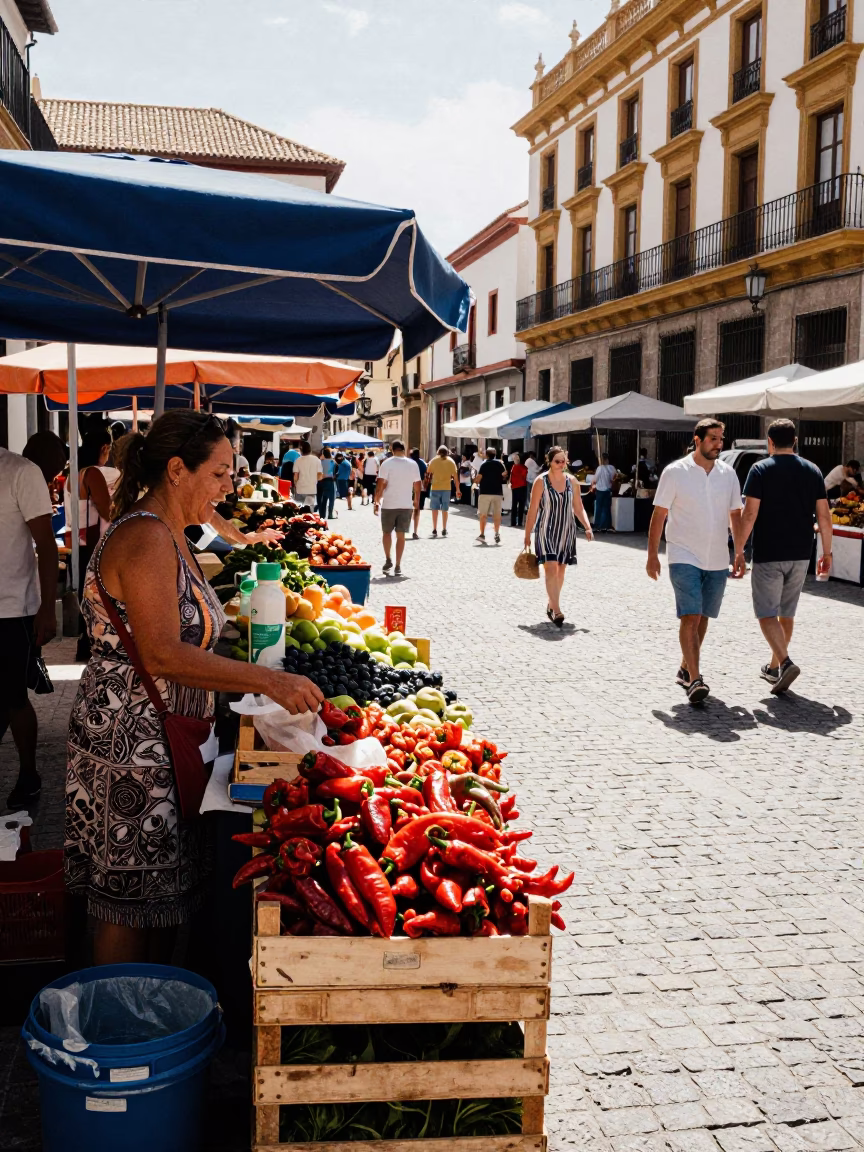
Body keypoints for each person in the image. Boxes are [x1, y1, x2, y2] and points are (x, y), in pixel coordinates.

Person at [65, 412, 322, 965]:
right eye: (220, 473)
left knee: (157, 898)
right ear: (177, 469)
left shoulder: (173, 529)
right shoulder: (146, 536)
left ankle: (151, 1008)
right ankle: (120, 1031)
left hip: (164, 736)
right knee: (126, 903)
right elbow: (161, 653)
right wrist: (268, 680)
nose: (230, 485)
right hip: (130, 742)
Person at [647, 419, 746, 706]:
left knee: (702, 617)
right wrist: (653, 553)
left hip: (717, 557)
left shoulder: (728, 474)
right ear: (697, 439)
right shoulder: (675, 472)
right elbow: (659, 514)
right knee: (690, 615)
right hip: (682, 554)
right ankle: (695, 679)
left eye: (721, 439)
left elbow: (735, 515)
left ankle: (684, 668)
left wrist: (739, 552)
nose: (718, 443)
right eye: (713, 438)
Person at [736, 418, 832, 694]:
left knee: (766, 613)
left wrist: (739, 549)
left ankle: (786, 662)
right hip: (801, 553)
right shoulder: (812, 470)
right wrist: (828, 551)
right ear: (796, 441)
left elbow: (750, 513)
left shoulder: (760, 470)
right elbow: (824, 516)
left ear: (770, 442)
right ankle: (775, 668)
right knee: (786, 613)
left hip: (769, 552)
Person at [1, 440, 61, 808]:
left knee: (11, 696)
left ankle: (28, 774)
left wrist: (47, 608)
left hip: (12, 609)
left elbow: (47, 544)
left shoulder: (21, 471)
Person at [523, 445, 593, 627]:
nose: (561, 464)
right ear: (550, 461)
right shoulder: (541, 481)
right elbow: (533, 510)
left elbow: (578, 507)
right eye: (557, 461)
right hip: (546, 529)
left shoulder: (572, 482)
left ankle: (551, 604)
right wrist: (527, 534)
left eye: (563, 461)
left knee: (561, 570)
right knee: (551, 568)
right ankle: (557, 609)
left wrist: (587, 526)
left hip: (566, 530)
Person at [63, 429, 118, 662]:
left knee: (90, 598)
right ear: (104, 448)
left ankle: (87, 644)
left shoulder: (72, 475)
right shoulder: (93, 473)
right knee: (98, 598)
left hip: (79, 542)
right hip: (94, 543)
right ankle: (91, 645)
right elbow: (107, 511)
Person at [374, 441, 421, 577]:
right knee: (401, 536)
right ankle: (398, 565)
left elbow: (380, 484)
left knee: (386, 533)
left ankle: (388, 558)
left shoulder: (386, 463)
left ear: (392, 449)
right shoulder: (413, 464)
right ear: (404, 450)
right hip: (406, 504)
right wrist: (416, 499)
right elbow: (418, 484)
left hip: (389, 504)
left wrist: (376, 501)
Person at [476, 447, 509, 545]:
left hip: (485, 492)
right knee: (497, 514)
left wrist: (475, 481)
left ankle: (482, 534)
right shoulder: (500, 464)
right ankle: (497, 533)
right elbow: (505, 474)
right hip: (497, 492)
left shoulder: (483, 464)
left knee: (483, 514)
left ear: (486, 454)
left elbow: (479, 478)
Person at [425, 445, 459, 537]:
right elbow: (455, 477)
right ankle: (444, 528)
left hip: (435, 487)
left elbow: (428, 472)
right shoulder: (451, 462)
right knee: (445, 509)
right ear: (447, 452)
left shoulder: (434, 461)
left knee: (435, 509)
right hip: (446, 488)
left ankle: (435, 528)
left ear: (438, 452)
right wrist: (458, 489)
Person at [292, 441, 322, 510]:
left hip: (300, 489)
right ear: (310, 450)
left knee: (299, 511)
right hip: (311, 489)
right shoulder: (317, 460)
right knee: (310, 512)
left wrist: (295, 485)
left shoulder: (297, 461)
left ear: (301, 451)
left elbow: (296, 476)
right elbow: (320, 476)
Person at [591, 453, 617, 533]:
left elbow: (595, 479)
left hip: (600, 490)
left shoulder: (600, 468)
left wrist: (592, 484)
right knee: (606, 508)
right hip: (608, 490)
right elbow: (614, 477)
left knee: (599, 508)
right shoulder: (612, 468)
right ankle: (606, 526)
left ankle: (597, 526)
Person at [409, 448, 428, 539]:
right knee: (417, 509)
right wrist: (425, 486)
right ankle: (415, 531)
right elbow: (426, 476)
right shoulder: (423, 463)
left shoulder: (408, 463)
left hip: (408, 487)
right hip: (420, 488)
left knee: (408, 508)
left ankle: (404, 529)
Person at [509, 452, 529, 528]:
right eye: (514, 458)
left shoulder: (521, 467)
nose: (515, 459)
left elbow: (524, 476)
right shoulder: (514, 466)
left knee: (520, 505)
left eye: (517, 458)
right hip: (516, 487)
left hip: (521, 487)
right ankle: (515, 522)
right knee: (516, 505)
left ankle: (519, 522)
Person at [317, 447, 337, 519]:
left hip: (321, 481)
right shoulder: (333, 462)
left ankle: (322, 515)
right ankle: (330, 514)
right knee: (331, 498)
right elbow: (335, 473)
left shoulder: (320, 462)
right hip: (330, 481)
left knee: (323, 499)